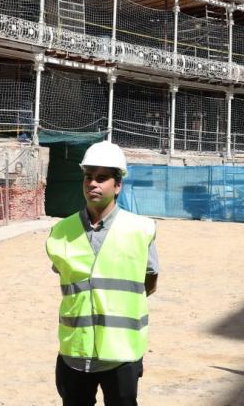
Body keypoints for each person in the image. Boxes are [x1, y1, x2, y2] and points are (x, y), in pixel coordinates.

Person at [46, 141, 159, 406]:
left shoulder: (140, 230)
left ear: (118, 185)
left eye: (102, 178)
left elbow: (149, 282)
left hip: (121, 354)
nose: (93, 184)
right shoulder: (61, 231)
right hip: (74, 351)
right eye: (88, 177)